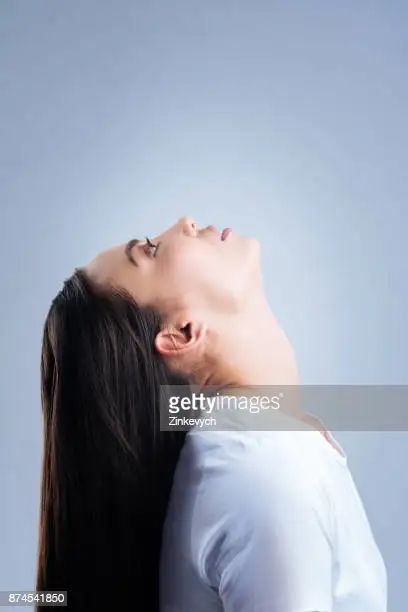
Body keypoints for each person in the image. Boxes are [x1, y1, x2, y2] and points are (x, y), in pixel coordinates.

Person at [36, 216, 387, 611]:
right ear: (182, 333)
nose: (183, 222)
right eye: (150, 249)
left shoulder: (263, 450)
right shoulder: (260, 467)